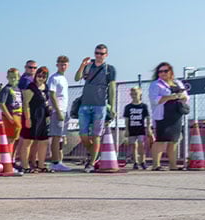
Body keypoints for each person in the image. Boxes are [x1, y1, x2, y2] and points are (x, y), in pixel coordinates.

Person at [74, 44, 117, 172]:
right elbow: (77, 78)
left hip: (100, 105)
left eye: (101, 54)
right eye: (97, 53)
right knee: (83, 135)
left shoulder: (110, 69)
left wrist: (112, 106)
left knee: (96, 135)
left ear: (106, 55)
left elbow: (112, 88)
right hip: (85, 104)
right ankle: (94, 154)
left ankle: (91, 163)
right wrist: (82, 65)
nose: (99, 56)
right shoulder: (88, 67)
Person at [149, 62, 189, 171]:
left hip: (176, 115)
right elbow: (155, 100)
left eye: (165, 71)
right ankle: (156, 164)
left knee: (174, 140)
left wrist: (181, 97)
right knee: (161, 140)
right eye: (160, 71)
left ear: (170, 71)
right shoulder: (156, 84)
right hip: (162, 115)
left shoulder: (178, 83)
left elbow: (186, 97)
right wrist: (171, 97)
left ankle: (173, 165)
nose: (163, 73)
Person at [21, 66, 55, 173]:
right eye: (39, 75)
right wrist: (27, 118)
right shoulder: (31, 87)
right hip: (32, 116)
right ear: (35, 76)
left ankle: (41, 165)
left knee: (43, 141)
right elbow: (26, 104)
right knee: (28, 141)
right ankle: (25, 166)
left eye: (44, 76)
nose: (41, 78)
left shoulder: (45, 87)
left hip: (42, 117)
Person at [46, 56, 71, 172]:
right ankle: (55, 161)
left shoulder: (64, 78)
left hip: (64, 109)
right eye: (61, 64)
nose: (63, 66)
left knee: (60, 136)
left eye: (65, 64)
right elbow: (52, 94)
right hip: (58, 110)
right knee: (56, 136)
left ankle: (59, 160)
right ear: (57, 65)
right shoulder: (54, 78)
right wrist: (57, 110)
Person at [0, 68, 24, 174]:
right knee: (9, 140)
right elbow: (2, 104)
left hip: (18, 115)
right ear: (7, 77)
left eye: (15, 77)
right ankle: (7, 161)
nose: (13, 79)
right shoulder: (6, 89)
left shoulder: (18, 89)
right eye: (11, 77)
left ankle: (12, 160)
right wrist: (9, 117)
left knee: (14, 140)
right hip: (10, 116)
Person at [123, 86, 152, 170]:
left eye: (136, 93)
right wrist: (127, 130)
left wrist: (148, 128)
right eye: (132, 94)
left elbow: (148, 117)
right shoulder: (128, 107)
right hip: (132, 129)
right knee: (133, 145)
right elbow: (127, 119)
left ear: (140, 93)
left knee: (141, 145)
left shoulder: (143, 106)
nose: (134, 95)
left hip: (141, 128)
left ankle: (142, 161)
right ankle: (135, 162)